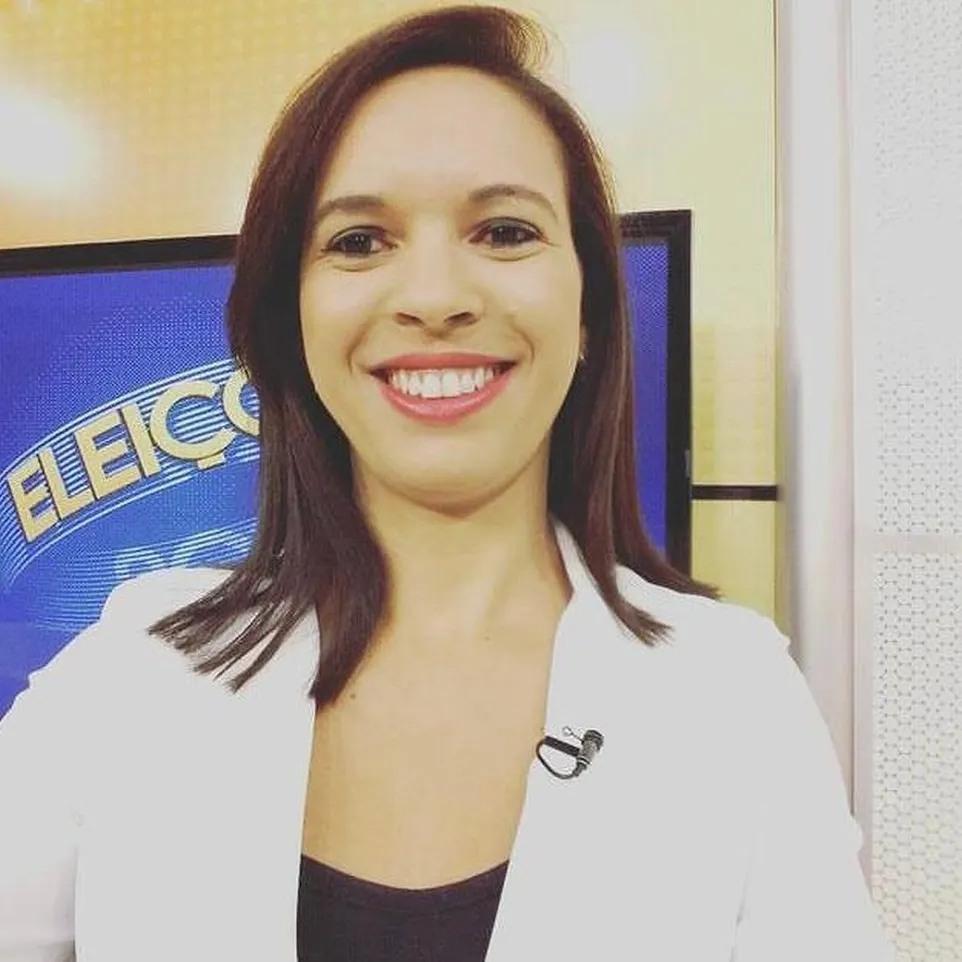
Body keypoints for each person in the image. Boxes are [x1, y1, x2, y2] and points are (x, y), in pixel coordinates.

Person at [0, 5, 895, 961]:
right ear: (290, 318)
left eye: (504, 231)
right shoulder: (127, 673)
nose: (433, 298)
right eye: (358, 241)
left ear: (588, 310)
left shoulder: (734, 693)